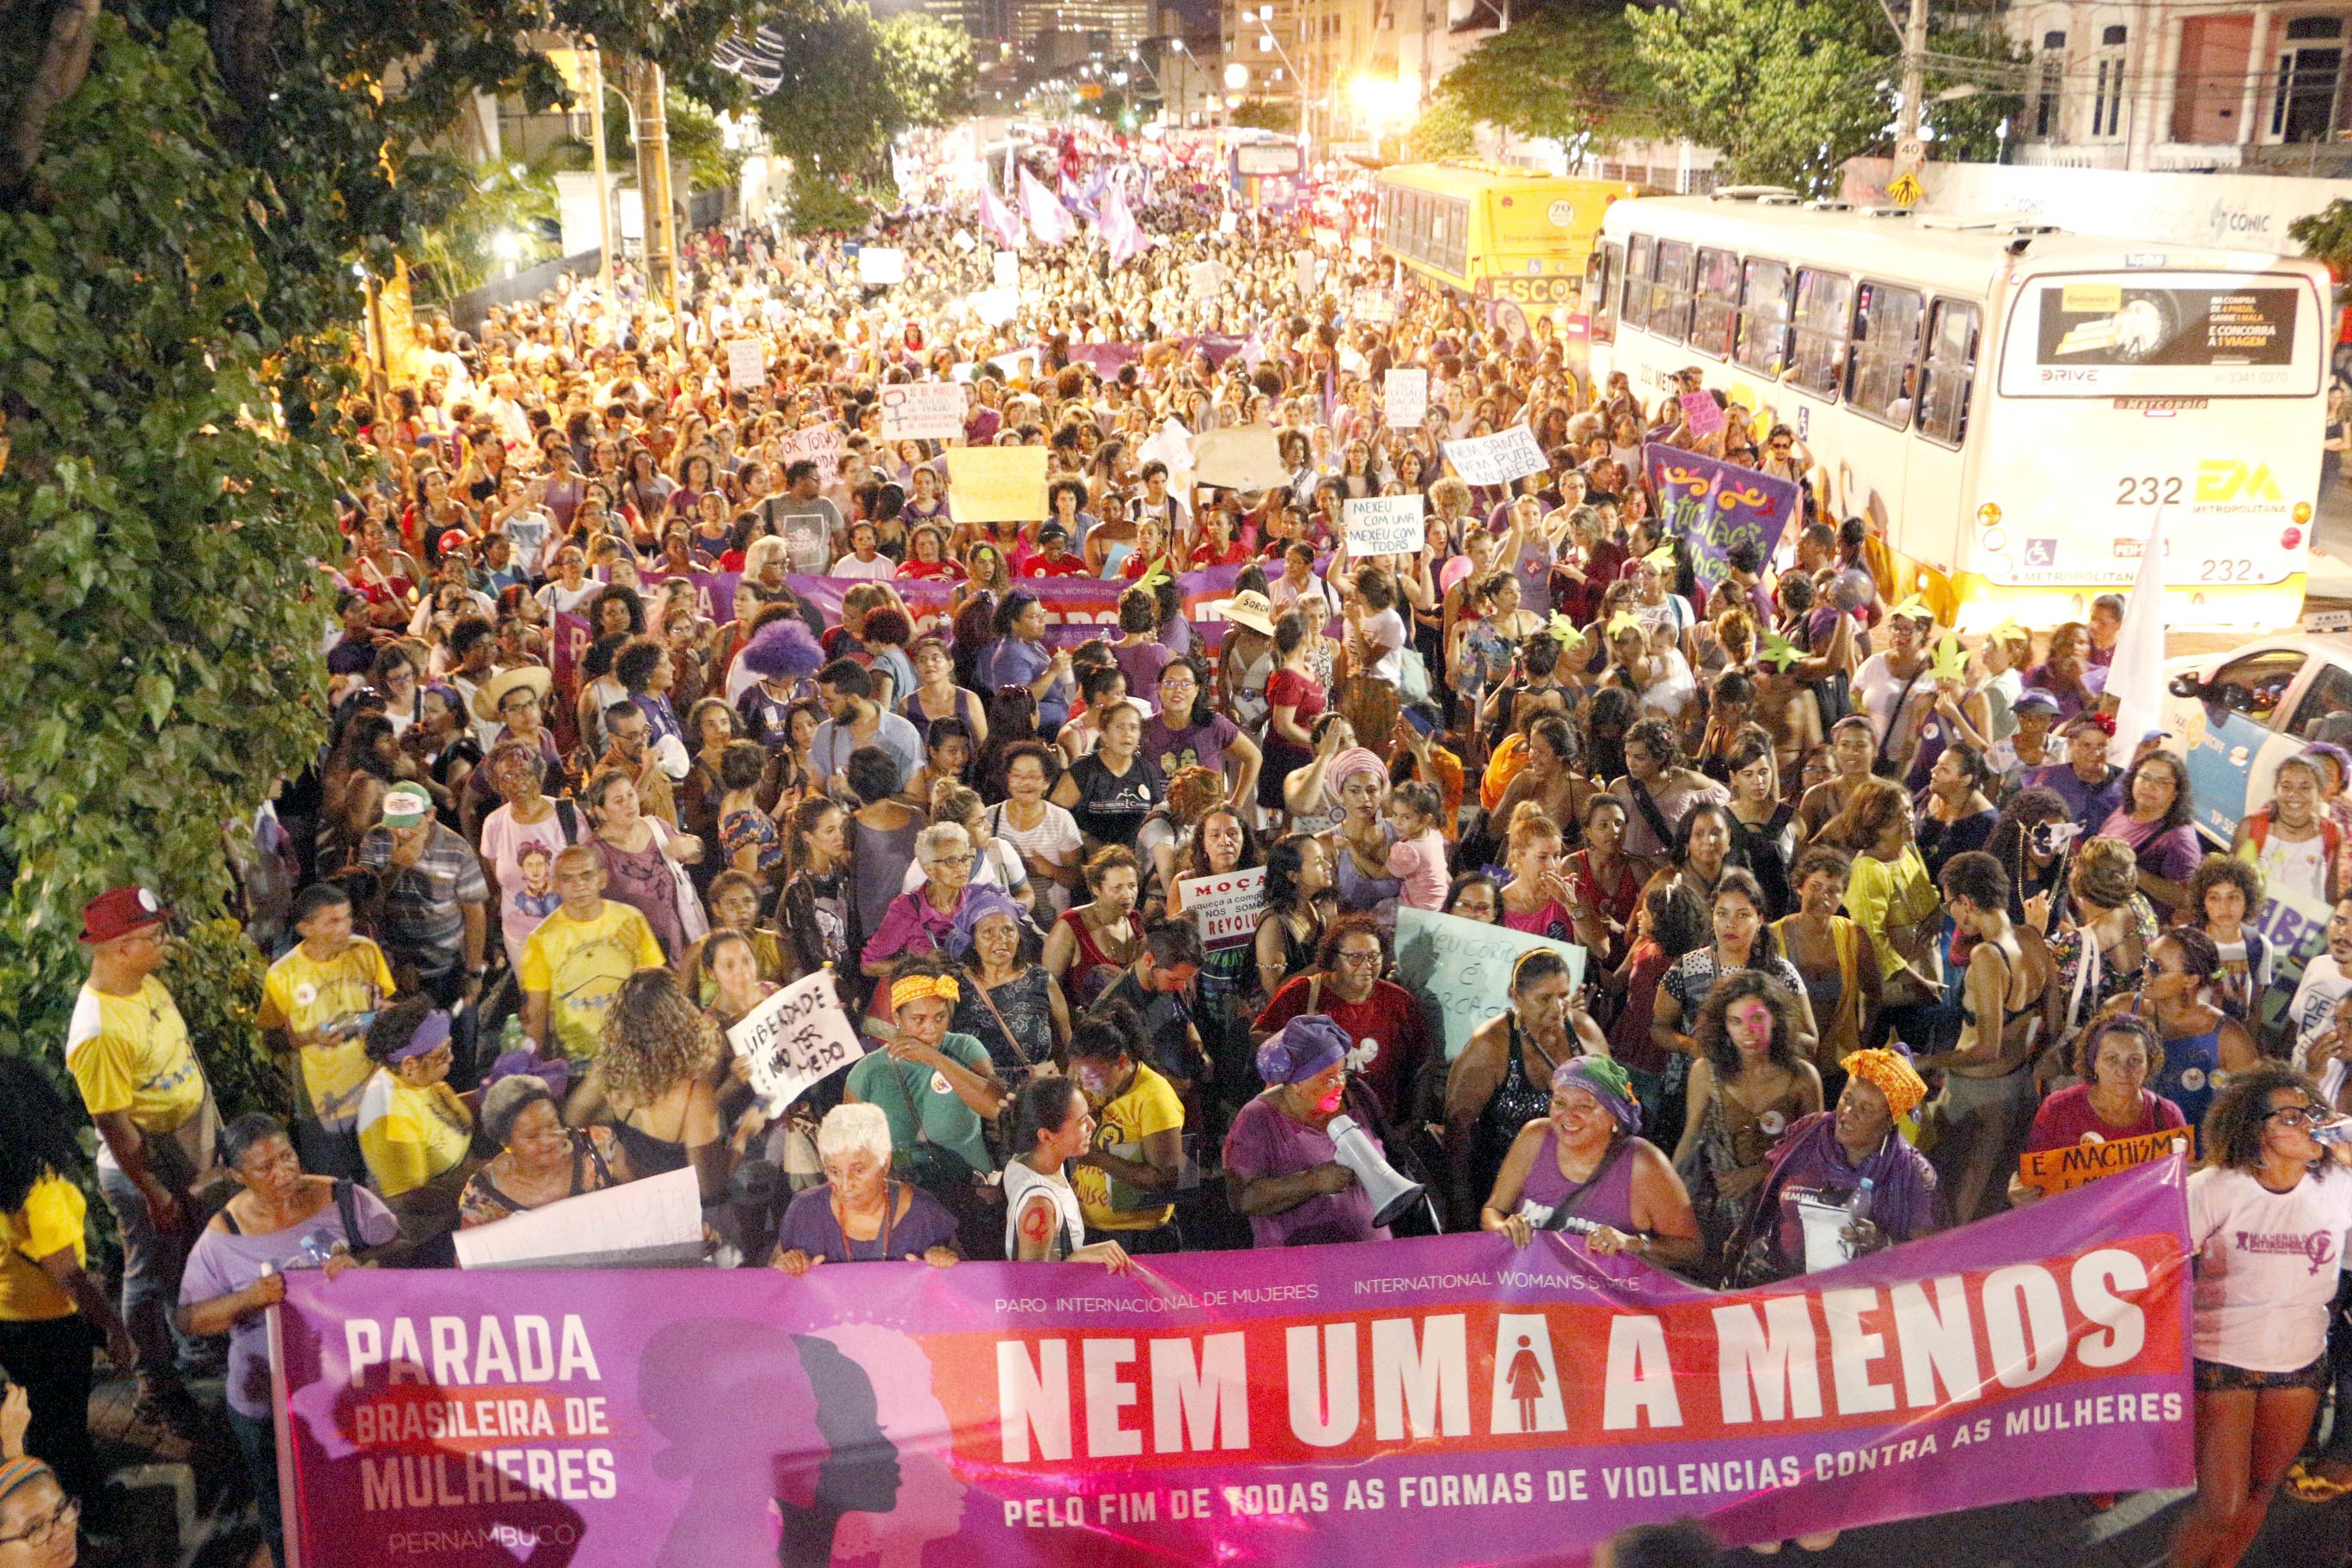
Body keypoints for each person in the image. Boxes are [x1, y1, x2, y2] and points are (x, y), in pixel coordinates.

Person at [175, 1113, 395, 1565]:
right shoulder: (223, 1235)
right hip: (267, 1403)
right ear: (237, 1176)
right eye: (264, 1168)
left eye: (287, 1156)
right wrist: (246, 1300)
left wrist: (366, 1270)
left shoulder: (343, 1198)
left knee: (364, 1499)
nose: (283, 1173)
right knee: (286, 1513)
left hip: (354, 1390)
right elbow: (188, 1319)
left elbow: (404, 1255)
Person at [2172, 1068, 2352, 1568]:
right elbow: (2155, 1257)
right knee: (2221, 1504)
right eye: (2293, 1117)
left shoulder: (2339, 1183)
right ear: (2256, 1130)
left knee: (2262, 1489)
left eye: (2315, 1113)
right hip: (2220, 1357)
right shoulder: (2216, 1187)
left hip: (2299, 1361)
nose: (2312, 1126)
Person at [62, 885, 217, 1437]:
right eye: (153, 937)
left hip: (184, 1142)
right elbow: (115, 1126)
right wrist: (154, 1190)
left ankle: (196, 1346)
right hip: (147, 1166)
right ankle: (156, 1387)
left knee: (186, 1257)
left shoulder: (142, 983)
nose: (164, 945)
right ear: (120, 948)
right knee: (148, 1277)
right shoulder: (98, 1033)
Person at [0, 1059, 137, 1511]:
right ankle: (86, 1509)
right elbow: (68, 1276)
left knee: (36, 1420)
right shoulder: (41, 1189)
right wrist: (112, 1326)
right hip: (50, 1326)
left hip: (8, 1320)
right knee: (64, 1426)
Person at [1724, 1048, 1940, 1287]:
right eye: (1847, 1099)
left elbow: (1930, 1260)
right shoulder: (1809, 1133)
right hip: (1775, 1282)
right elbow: (1769, 1190)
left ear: (1890, 1121)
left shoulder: (1912, 1173)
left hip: (1853, 1299)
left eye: (1865, 1110)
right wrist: (1741, 1244)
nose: (1847, 1114)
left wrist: (1881, 1244)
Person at [1919, 851, 2054, 1223]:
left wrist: (1927, 1060)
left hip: (1976, 1099)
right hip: (2019, 1091)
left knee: (1950, 1200)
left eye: (1950, 905)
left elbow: (1985, 1049)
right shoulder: (2033, 939)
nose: (1953, 915)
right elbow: (2052, 1027)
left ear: (1966, 902)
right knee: (1988, 1200)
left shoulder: (1987, 957)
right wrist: (2021, 1063)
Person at [1444, 949, 1611, 1229]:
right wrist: (1462, 1214)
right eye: (1544, 998)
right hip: (1504, 1189)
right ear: (1517, 997)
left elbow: (1612, 1104)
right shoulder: (1491, 1045)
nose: (1558, 1008)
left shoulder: (1584, 1031)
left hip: (1575, 1187)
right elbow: (1457, 1131)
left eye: (1563, 996)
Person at [1483, 1057, 1702, 1270]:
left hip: (1607, 1301)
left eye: (1584, 1106)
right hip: (1531, 1289)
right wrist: (1505, 1228)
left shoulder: (1644, 1164)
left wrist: (1633, 1244)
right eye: (1560, 1102)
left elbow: (1692, 1249)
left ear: (1614, 1116)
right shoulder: (1535, 1136)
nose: (1568, 1116)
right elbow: (1493, 1210)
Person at [1674, 973, 1823, 1274]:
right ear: (1724, 1026)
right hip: (1718, 1209)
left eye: (1757, 1018)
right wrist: (1670, 1199)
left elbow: (1816, 1152)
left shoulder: (1803, 1078)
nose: (1748, 1031)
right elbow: (1690, 1139)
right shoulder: (1706, 1073)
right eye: (1735, 1022)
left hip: (1780, 1213)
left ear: (1776, 1019)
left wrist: (1758, 1173)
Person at [843, 959, 1005, 1217]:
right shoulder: (867, 1073)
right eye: (918, 1019)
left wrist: (936, 1059)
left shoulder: (965, 1048)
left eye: (940, 1017)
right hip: (903, 1209)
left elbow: (996, 1106)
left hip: (972, 1201)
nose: (931, 1028)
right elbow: (851, 1153)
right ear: (897, 1016)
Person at [256, 883, 395, 1182]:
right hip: (322, 1097)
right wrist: (310, 1037)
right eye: (333, 921)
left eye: (347, 917)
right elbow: (272, 1038)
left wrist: (385, 1012)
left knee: (385, 1171)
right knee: (340, 1181)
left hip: (374, 1082)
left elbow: (381, 1001)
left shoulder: (366, 951)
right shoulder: (282, 974)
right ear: (306, 928)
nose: (345, 927)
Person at [1225, 1015, 1395, 1249]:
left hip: (1372, 1257)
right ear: (1295, 1084)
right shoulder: (1257, 1119)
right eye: (1328, 1078)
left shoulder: (1357, 1095)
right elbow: (1242, 1199)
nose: (1340, 1084)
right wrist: (1312, 1182)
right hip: (1300, 1271)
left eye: (1342, 1072)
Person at [1254, 916, 1439, 1128]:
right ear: (1334, 959)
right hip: (1310, 1129)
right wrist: (1297, 1049)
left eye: (1374, 956)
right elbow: (1259, 1038)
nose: (1366, 965)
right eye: (1355, 957)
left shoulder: (1399, 1002)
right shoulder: (1302, 993)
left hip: (1380, 1126)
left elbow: (1422, 1065)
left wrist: (1412, 1123)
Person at [570, 968, 728, 1198]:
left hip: (634, 1198)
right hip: (679, 1207)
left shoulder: (609, 1073)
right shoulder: (693, 1094)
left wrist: (616, 1121)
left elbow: (574, 1116)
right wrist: (744, 1135)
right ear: (680, 1016)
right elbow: (709, 1189)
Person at [2008, 1014, 2186, 1207]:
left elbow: (2179, 1190)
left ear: (2148, 1065)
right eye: (2112, 1059)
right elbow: (2033, 1182)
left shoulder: (2167, 1115)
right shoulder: (2058, 1109)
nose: (2123, 1071)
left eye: (2134, 1060)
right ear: (2094, 1064)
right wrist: (2021, 1193)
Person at [518, 845, 665, 1066]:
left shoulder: (631, 920)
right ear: (555, 884)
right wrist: (529, 1067)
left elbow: (659, 987)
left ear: (602, 879)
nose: (579, 886)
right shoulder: (541, 939)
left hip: (637, 1051)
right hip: (579, 1059)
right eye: (568, 879)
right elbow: (537, 1011)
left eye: (587, 875)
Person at [354, 1000, 480, 1260]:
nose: (451, 1058)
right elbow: (409, 1198)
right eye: (442, 1053)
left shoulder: (418, 1079)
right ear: (410, 1063)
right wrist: (481, 1198)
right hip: (431, 1235)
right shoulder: (388, 1117)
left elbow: (443, 1115)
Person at [771, 1103, 960, 1272]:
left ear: (885, 1163)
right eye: (834, 1171)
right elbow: (773, 1269)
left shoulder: (923, 1213)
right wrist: (787, 1266)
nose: (846, 1185)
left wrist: (944, 1264)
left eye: (858, 1170)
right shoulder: (805, 1211)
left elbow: (962, 1273)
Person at [1065, 1003, 1187, 1253]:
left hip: (1139, 1236)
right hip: (1089, 1229)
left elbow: (1165, 1179)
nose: (1084, 1085)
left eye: (1092, 1076)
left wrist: (1096, 1157)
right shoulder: (1089, 1082)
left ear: (1121, 1062)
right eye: (1079, 1075)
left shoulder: (1154, 1097)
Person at [460, 1069, 632, 1227]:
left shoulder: (599, 1146)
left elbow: (642, 1195)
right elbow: (470, 1256)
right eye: (532, 1136)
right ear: (506, 1143)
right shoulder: (482, 1196)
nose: (549, 1140)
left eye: (553, 1125)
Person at [1773, 845, 1880, 1083]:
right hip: (1786, 1063)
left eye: (1834, 891)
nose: (1824, 896)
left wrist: (1861, 1043)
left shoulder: (1854, 936)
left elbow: (1874, 994)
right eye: (1816, 887)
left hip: (1838, 1065)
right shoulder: (1773, 937)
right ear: (1799, 886)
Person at [1004, 1077, 1134, 1270]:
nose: (1092, 1125)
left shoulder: (1024, 1160)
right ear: (1047, 1136)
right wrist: (1077, 1259)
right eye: (1082, 1121)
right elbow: (1031, 1287)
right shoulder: (1040, 1203)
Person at [948, 886, 1069, 1093]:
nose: (1001, 939)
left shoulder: (1040, 980)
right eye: (988, 933)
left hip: (1037, 1095)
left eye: (1008, 930)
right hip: (981, 1097)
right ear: (973, 941)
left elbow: (1065, 1036)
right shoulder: (956, 987)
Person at [861, 821, 984, 981]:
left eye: (966, 858)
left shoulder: (979, 899)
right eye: (951, 861)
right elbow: (869, 965)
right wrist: (920, 963)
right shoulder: (907, 908)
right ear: (929, 869)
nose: (963, 867)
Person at [2232, 753, 2343, 910]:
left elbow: (2329, 895)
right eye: (2286, 786)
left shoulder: (2331, 834)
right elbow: (2229, 886)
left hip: (2301, 928)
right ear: (2275, 790)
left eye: (2305, 787)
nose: (2293, 794)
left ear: (2320, 793)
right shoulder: (2251, 828)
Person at [2099, 750, 2202, 919]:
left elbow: (2187, 899)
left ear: (2177, 793)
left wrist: (2131, 870)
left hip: (2135, 933)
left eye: (2162, 782)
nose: (2149, 786)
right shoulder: (2124, 811)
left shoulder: (2178, 838)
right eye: (2145, 777)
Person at [1051, 699, 1165, 852]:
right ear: (1103, 733)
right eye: (1120, 727)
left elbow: (1158, 817)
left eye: (1133, 728)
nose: (1127, 734)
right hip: (1093, 861)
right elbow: (1054, 818)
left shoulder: (1146, 770)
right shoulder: (1084, 769)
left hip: (1137, 861)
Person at [1044, 846, 1144, 1011]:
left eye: (1132, 886)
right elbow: (1048, 987)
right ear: (1096, 889)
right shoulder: (1070, 925)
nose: (1127, 895)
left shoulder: (1138, 923)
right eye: (1117, 888)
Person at [2190, 854, 2273, 1025]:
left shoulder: (2259, 945)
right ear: (2203, 903)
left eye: (2233, 897)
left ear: (2247, 902)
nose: (2224, 906)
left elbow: (2256, 1006)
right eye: (2214, 897)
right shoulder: (2186, 940)